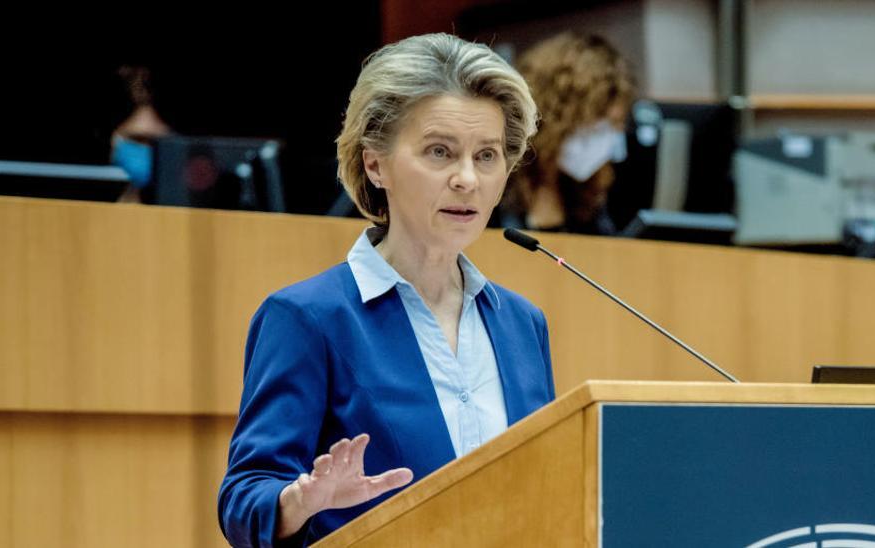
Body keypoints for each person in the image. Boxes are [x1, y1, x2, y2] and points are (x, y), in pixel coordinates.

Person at [217, 33, 553, 547]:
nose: (468, 179)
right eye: (440, 152)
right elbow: (244, 498)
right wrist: (299, 501)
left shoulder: (521, 322)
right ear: (376, 164)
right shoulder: (308, 317)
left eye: (486, 156)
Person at [494, 32, 635, 235]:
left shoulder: (590, 193)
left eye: (613, 124)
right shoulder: (496, 182)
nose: (605, 137)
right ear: (555, 116)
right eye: (595, 124)